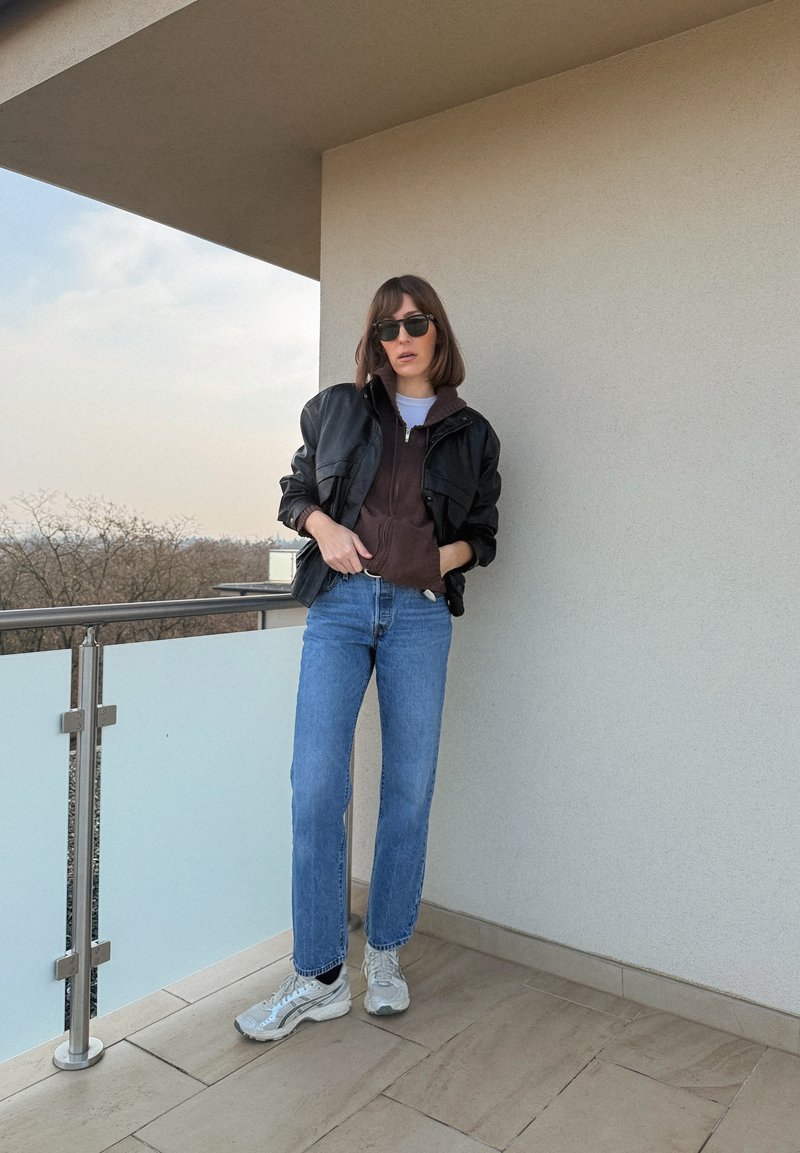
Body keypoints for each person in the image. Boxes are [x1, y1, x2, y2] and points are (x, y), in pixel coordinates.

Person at [234, 274, 500, 1041]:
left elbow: (482, 536)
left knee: (408, 788)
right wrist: (322, 526)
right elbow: (294, 491)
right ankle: (318, 975)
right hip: (340, 609)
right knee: (316, 784)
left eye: (415, 322)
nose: (402, 337)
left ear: (438, 332)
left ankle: (383, 952)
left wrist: (432, 561)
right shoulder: (337, 409)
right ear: (374, 341)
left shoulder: (472, 432)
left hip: (419, 616)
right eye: (387, 327)